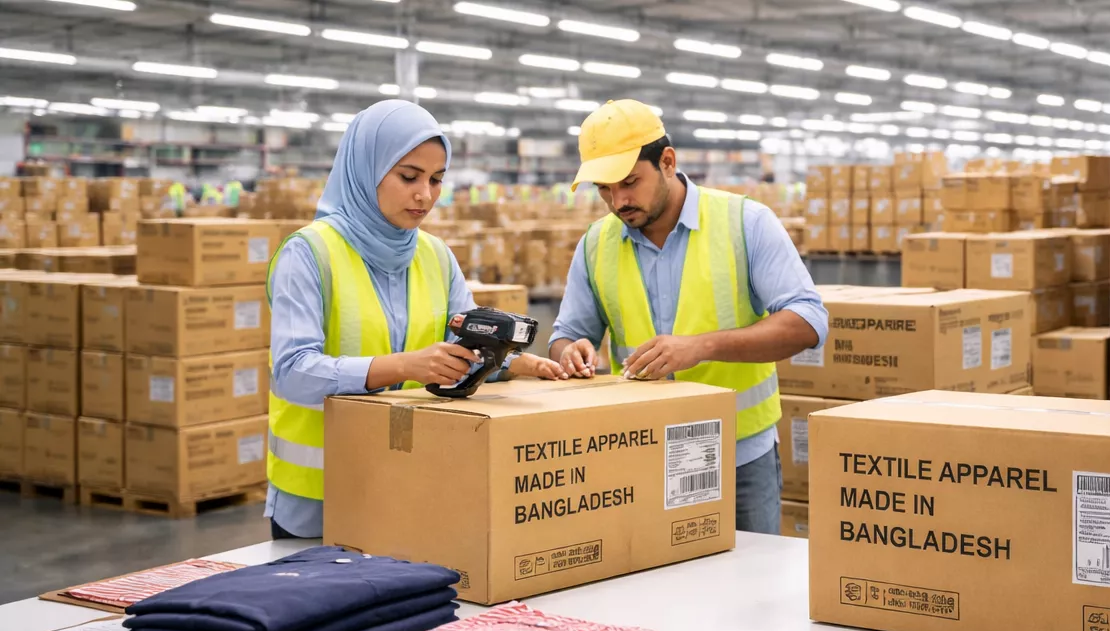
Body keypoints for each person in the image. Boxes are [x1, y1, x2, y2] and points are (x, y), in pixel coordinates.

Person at [264, 99, 565, 541]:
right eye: (408, 177)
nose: (425, 194)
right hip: (319, 500)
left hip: (412, 484)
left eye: (436, 179)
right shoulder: (309, 254)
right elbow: (291, 373)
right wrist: (403, 366)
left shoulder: (436, 256)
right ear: (367, 169)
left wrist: (513, 363)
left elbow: (455, 352)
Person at [548, 99, 828, 534]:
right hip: (643, 455)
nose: (618, 201)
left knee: (752, 592)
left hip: (739, 457)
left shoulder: (745, 223)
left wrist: (703, 345)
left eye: (628, 182)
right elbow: (566, 334)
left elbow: (808, 321)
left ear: (667, 161)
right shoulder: (596, 244)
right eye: (603, 189)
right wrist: (570, 352)